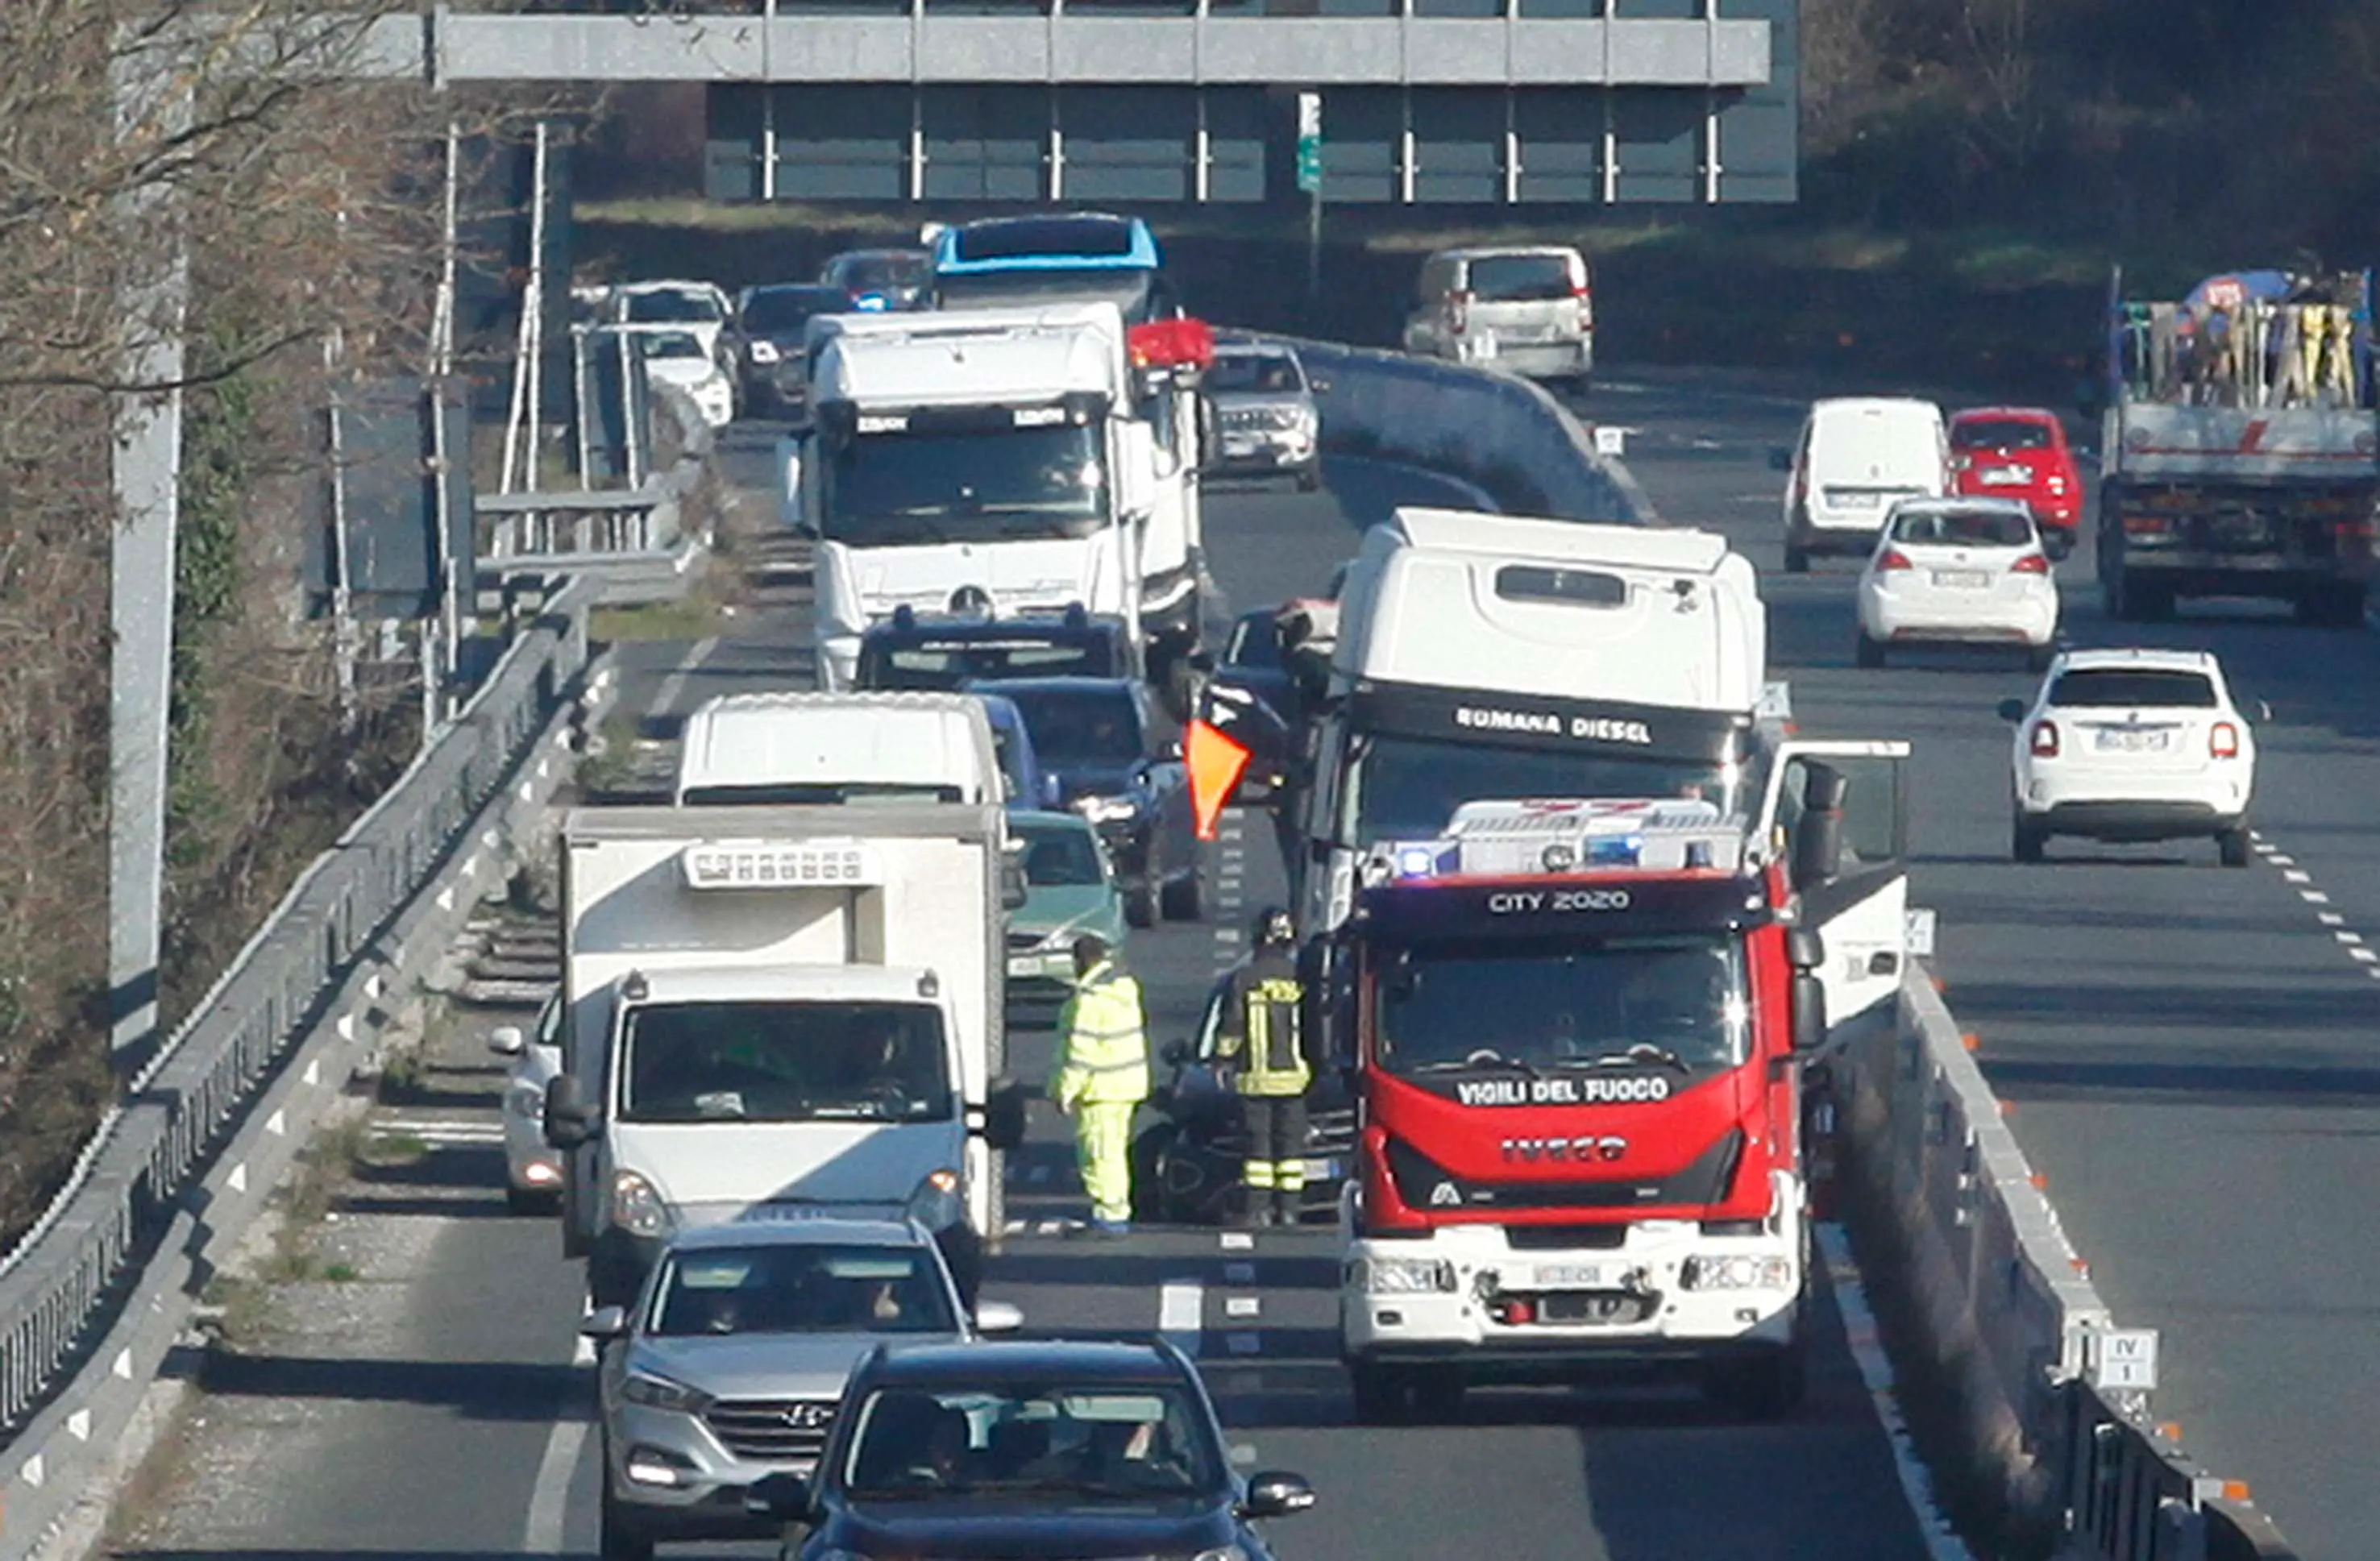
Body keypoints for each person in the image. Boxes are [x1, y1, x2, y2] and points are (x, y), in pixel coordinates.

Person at [1213, 907, 1313, 1227]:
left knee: (1258, 1148)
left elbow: (1232, 1026)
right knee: (1291, 1151)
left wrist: (1222, 1060)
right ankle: (1289, 1210)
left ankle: (1258, 1210)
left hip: (1256, 1079)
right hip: (1296, 1081)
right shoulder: (1303, 977)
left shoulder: (1245, 978)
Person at [1051, 933, 1149, 1236]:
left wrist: (1064, 1091)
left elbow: (1081, 1053)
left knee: (1099, 1153)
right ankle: (1116, 1209)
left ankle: (1110, 1215)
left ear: (1080, 961)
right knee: (1115, 1150)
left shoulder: (1091, 1000)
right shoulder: (1124, 990)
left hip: (1100, 1089)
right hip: (1126, 1085)